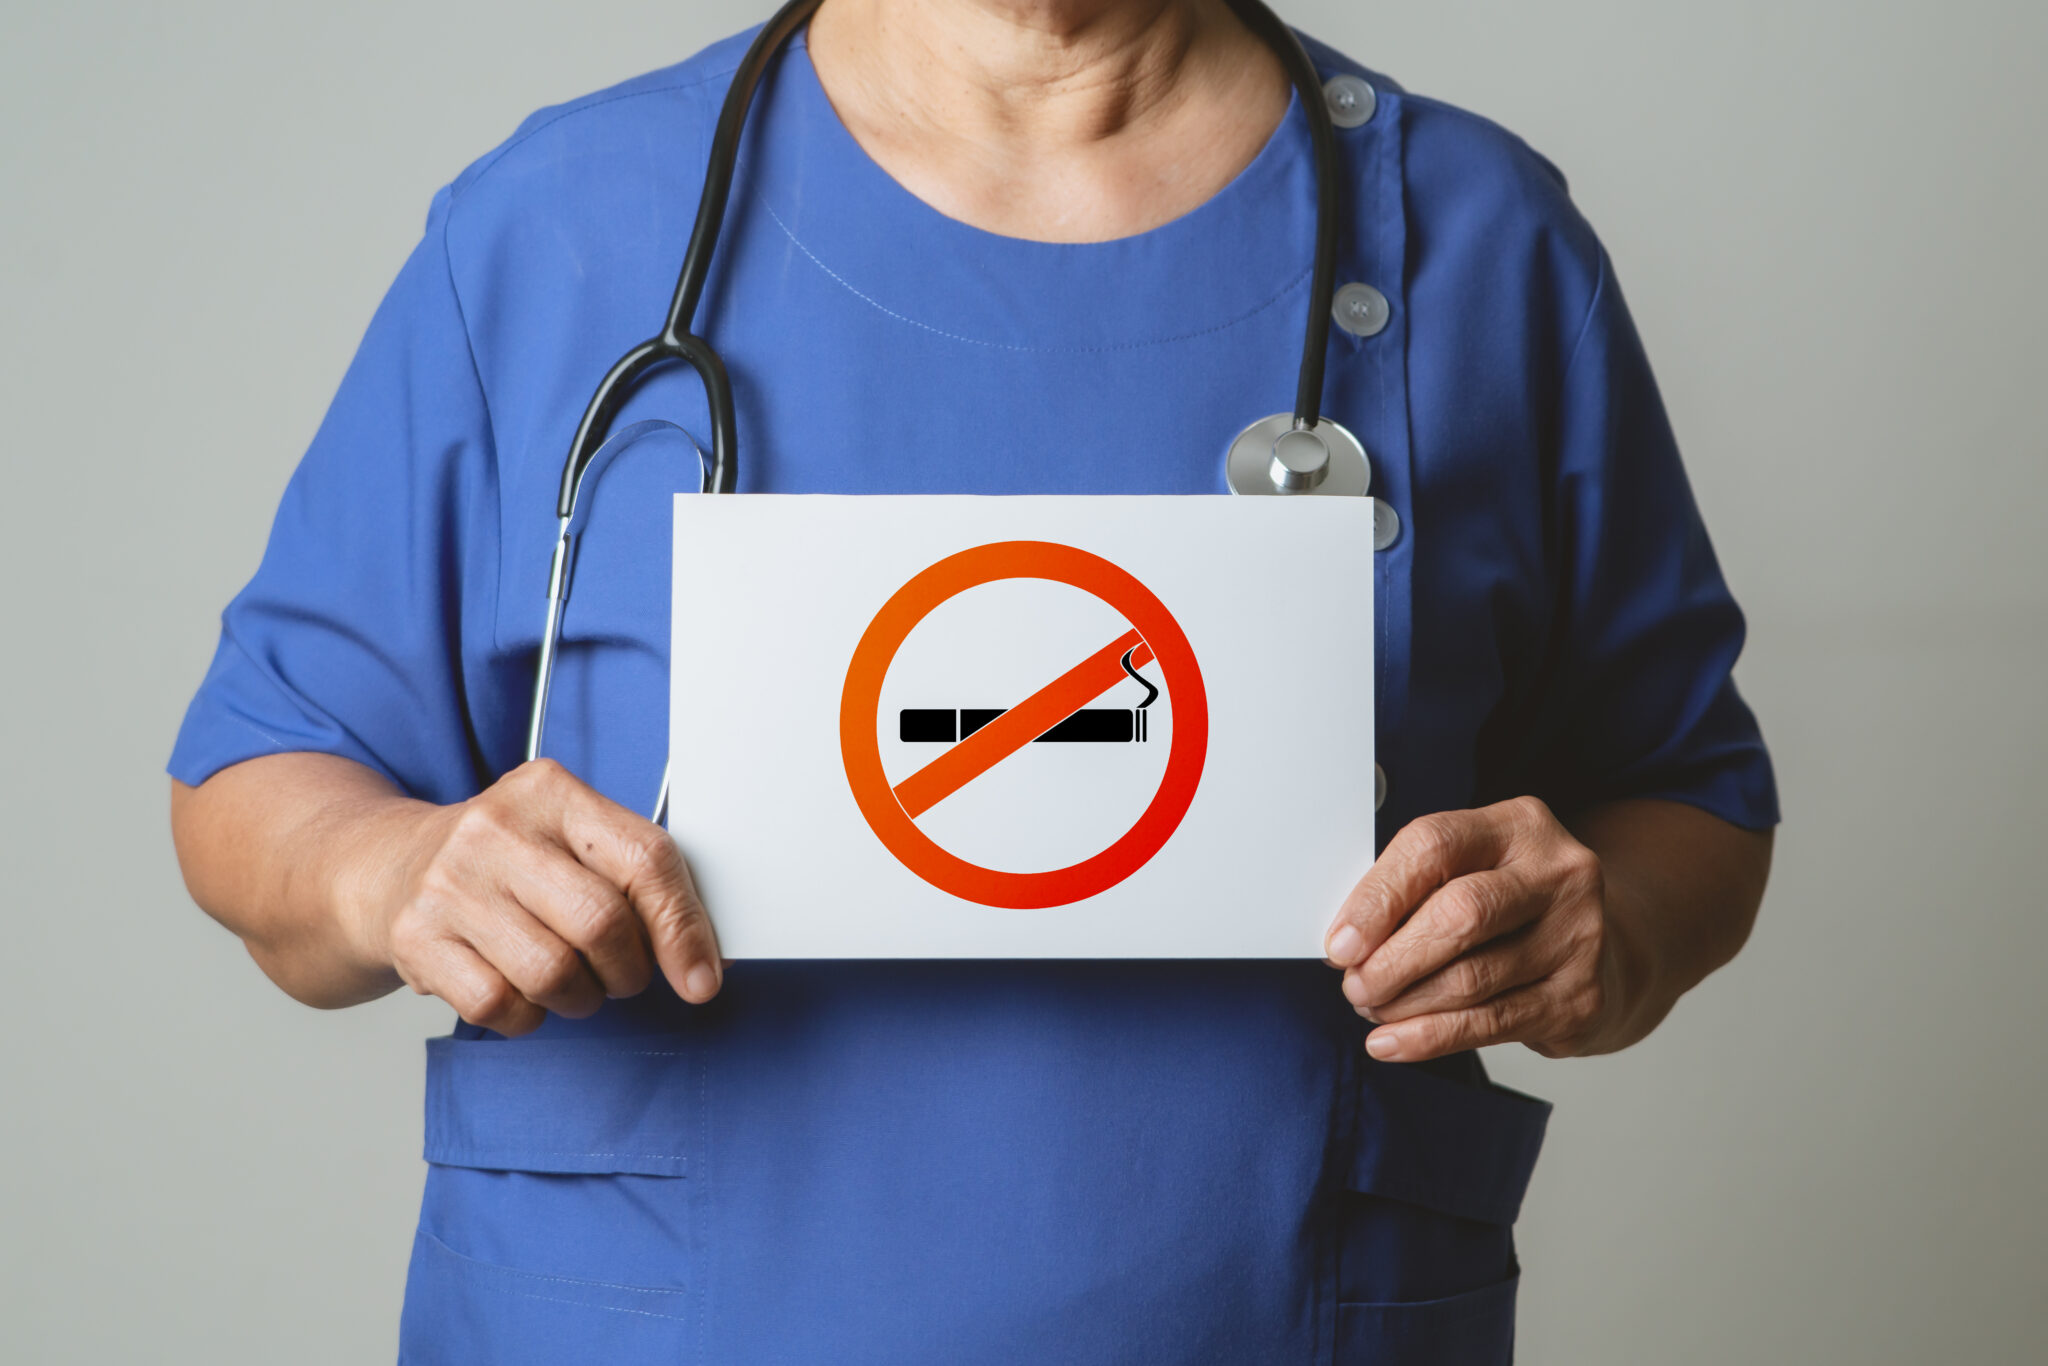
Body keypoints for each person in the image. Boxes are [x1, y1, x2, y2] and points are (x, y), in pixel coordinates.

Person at [168, 0, 1777, 1360]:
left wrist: (1607, 928)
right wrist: (392, 870)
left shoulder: (1481, 246)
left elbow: (1686, 791)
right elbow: (259, 780)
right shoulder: (553, 227)